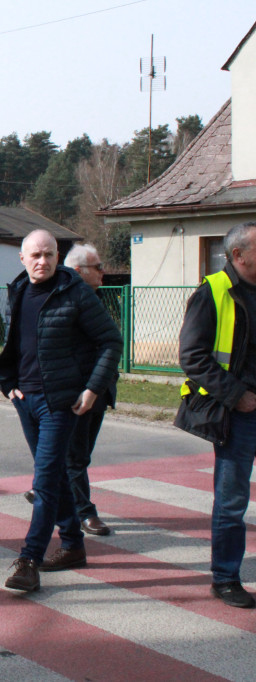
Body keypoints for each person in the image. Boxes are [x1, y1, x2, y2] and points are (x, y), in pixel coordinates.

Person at [0, 229, 121, 592]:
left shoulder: (75, 291)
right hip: (25, 400)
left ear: (58, 256)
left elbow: (111, 340)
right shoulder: (17, 290)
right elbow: (15, 344)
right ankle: (73, 544)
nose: (42, 261)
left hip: (59, 403)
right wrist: (9, 384)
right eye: (35, 255)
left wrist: (93, 389)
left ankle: (29, 558)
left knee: (45, 479)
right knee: (57, 475)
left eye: (49, 254)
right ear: (22, 258)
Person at [178, 220, 256, 609]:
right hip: (238, 413)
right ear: (238, 255)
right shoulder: (213, 291)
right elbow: (192, 356)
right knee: (232, 499)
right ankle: (225, 577)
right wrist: (236, 395)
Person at [23, 243, 117, 536]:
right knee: (74, 456)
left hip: (97, 391)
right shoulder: (66, 297)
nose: (103, 272)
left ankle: (45, 488)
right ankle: (83, 512)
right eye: (97, 267)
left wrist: (97, 387)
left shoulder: (93, 299)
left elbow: (109, 343)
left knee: (80, 455)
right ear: (78, 271)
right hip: (73, 393)